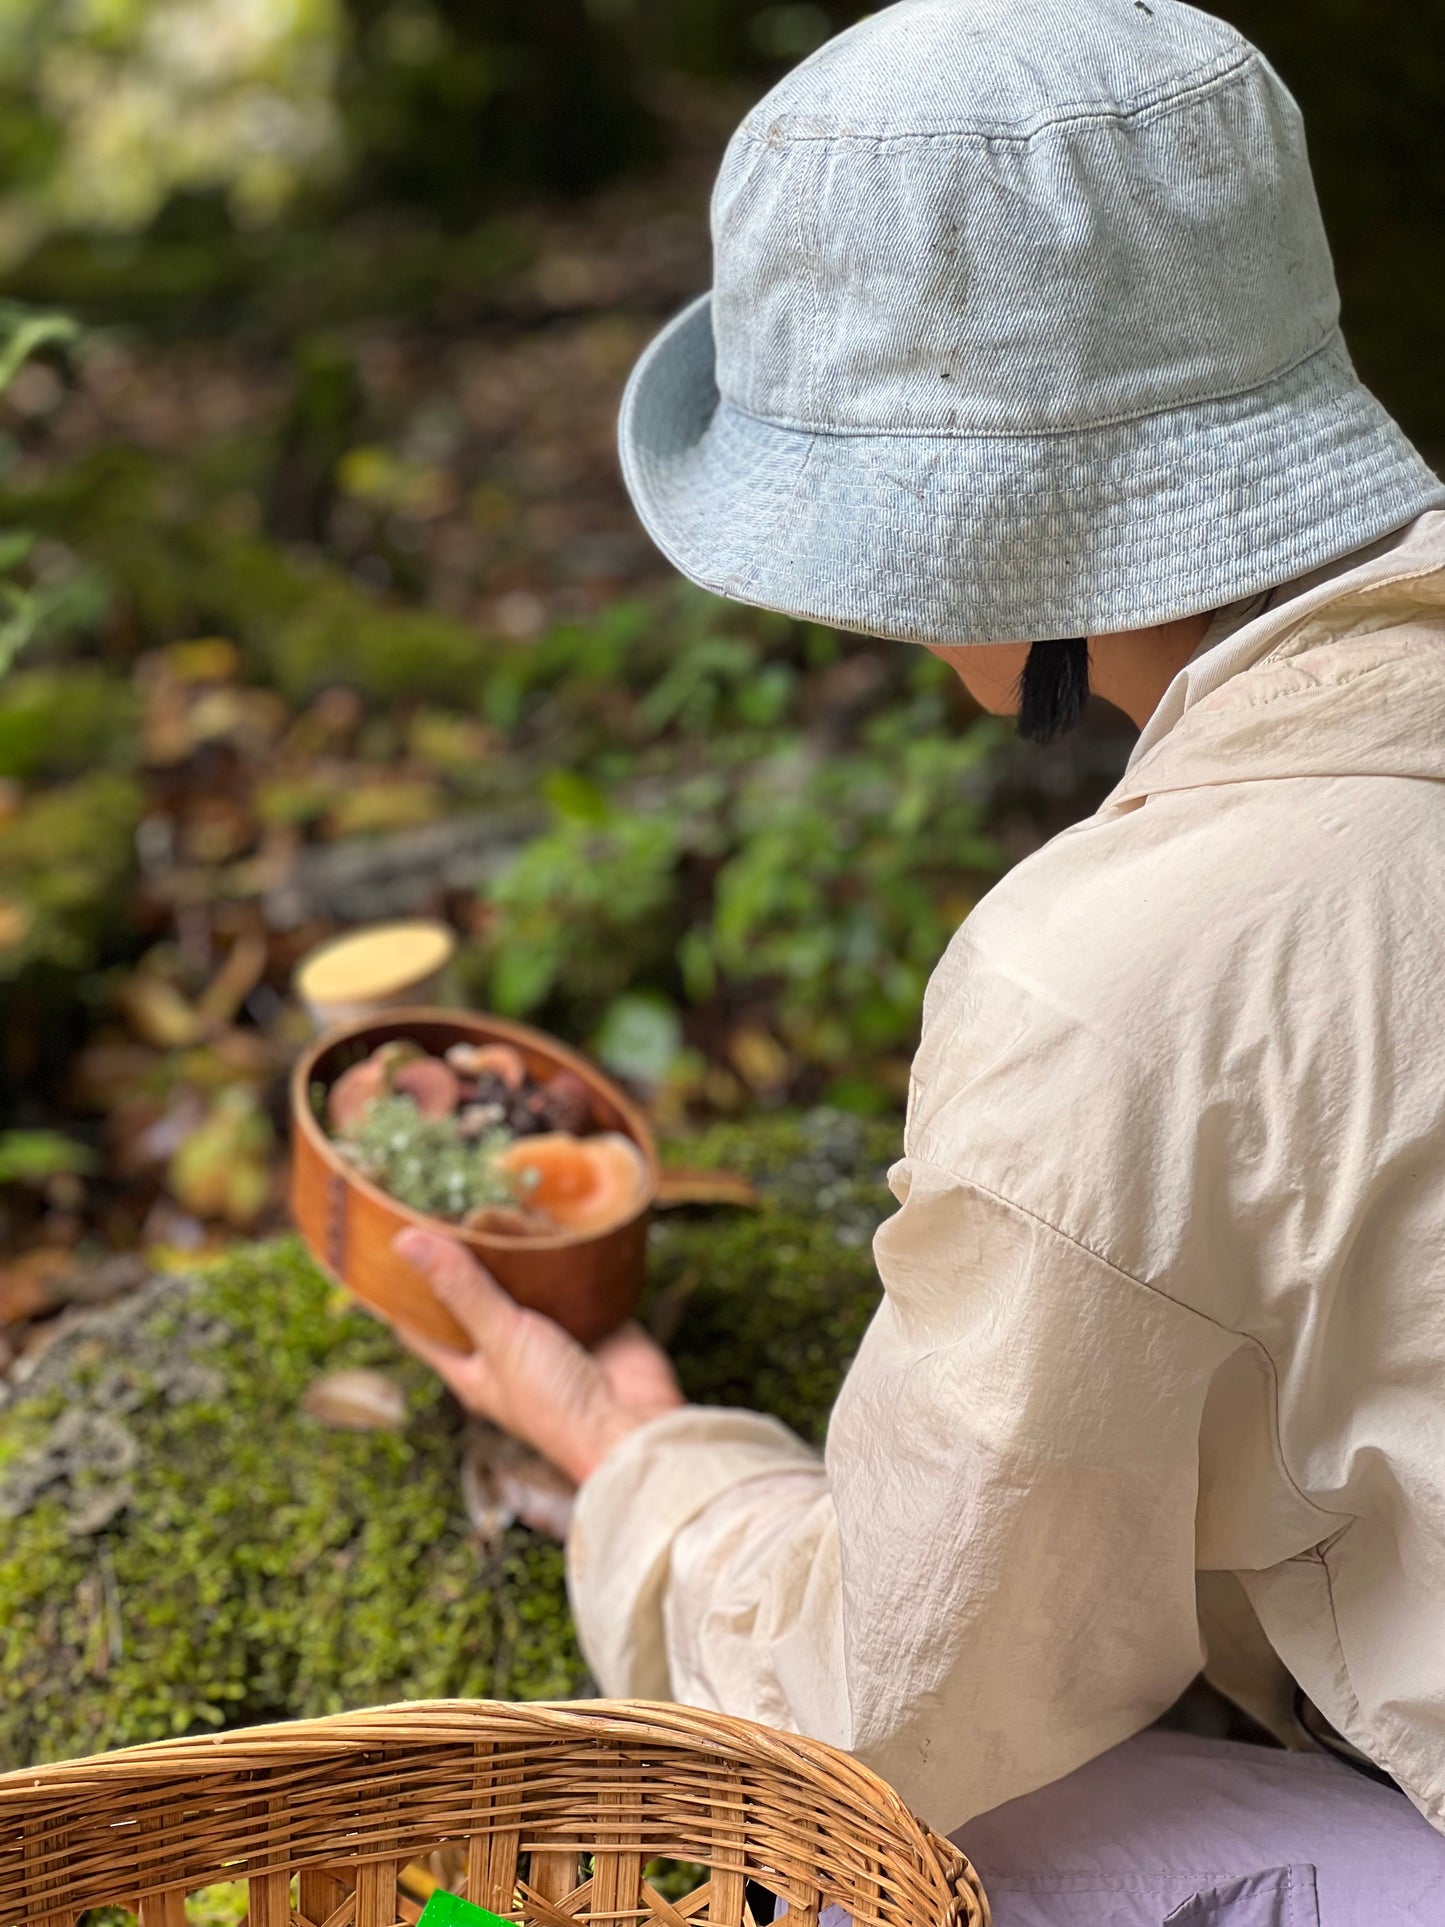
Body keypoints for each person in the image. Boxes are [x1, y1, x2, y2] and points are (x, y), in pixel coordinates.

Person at [390, 0, 1445, 1917]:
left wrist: (632, 1459)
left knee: (917, 1838)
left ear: (975, 552)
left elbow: (883, 1703)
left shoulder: (1112, 989)